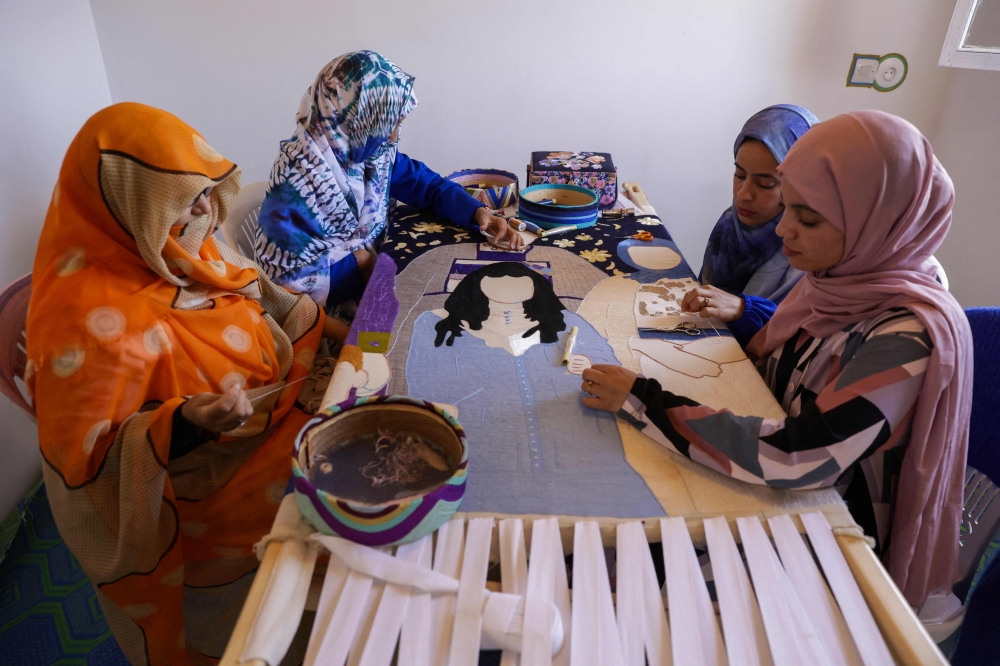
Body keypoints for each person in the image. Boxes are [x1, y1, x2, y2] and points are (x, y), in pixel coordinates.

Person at [582, 111, 973, 609]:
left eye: (807, 218)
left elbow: (802, 457)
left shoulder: (907, 335)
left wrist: (644, 398)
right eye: (787, 207)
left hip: (829, 528)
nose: (785, 230)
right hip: (774, 483)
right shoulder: (836, 280)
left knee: (633, 578)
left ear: (876, 221)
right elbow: (772, 375)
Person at [25, 103, 335, 665]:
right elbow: (91, 468)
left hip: (275, 409)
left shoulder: (176, 235)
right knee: (352, 485)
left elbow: (260, 293)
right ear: (124, 197)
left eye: (205, 189)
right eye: (183, 195)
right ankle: (274, 635)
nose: (203, 208)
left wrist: (344, 333)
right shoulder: (82, 325)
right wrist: (188, 421)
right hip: (203, 478)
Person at [253, 51, 522, 324]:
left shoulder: (371, 153)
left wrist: (478, 213)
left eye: (398, 123)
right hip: (314, 316)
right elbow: (282, 290)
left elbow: (426, 185)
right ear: (352, 117)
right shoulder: (297, 181)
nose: (393, 136)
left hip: (360, 277)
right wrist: (363, 264)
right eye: (386, 123)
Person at [405, 261, 664, 518]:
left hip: (585, 460)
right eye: (497, 303)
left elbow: (615, 371)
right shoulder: (437, 324)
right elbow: (423, 381)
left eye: (516, 304)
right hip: (483, 460)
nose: (507, 308)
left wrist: (589, 363)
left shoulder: (568, 322)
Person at [698, 104, 818, 319]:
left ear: (799, 186)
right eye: (740, 175)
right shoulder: (729, 224)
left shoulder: (810, 248)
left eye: (765, 184)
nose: (743, 195)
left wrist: (745, 311)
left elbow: (803, 331)